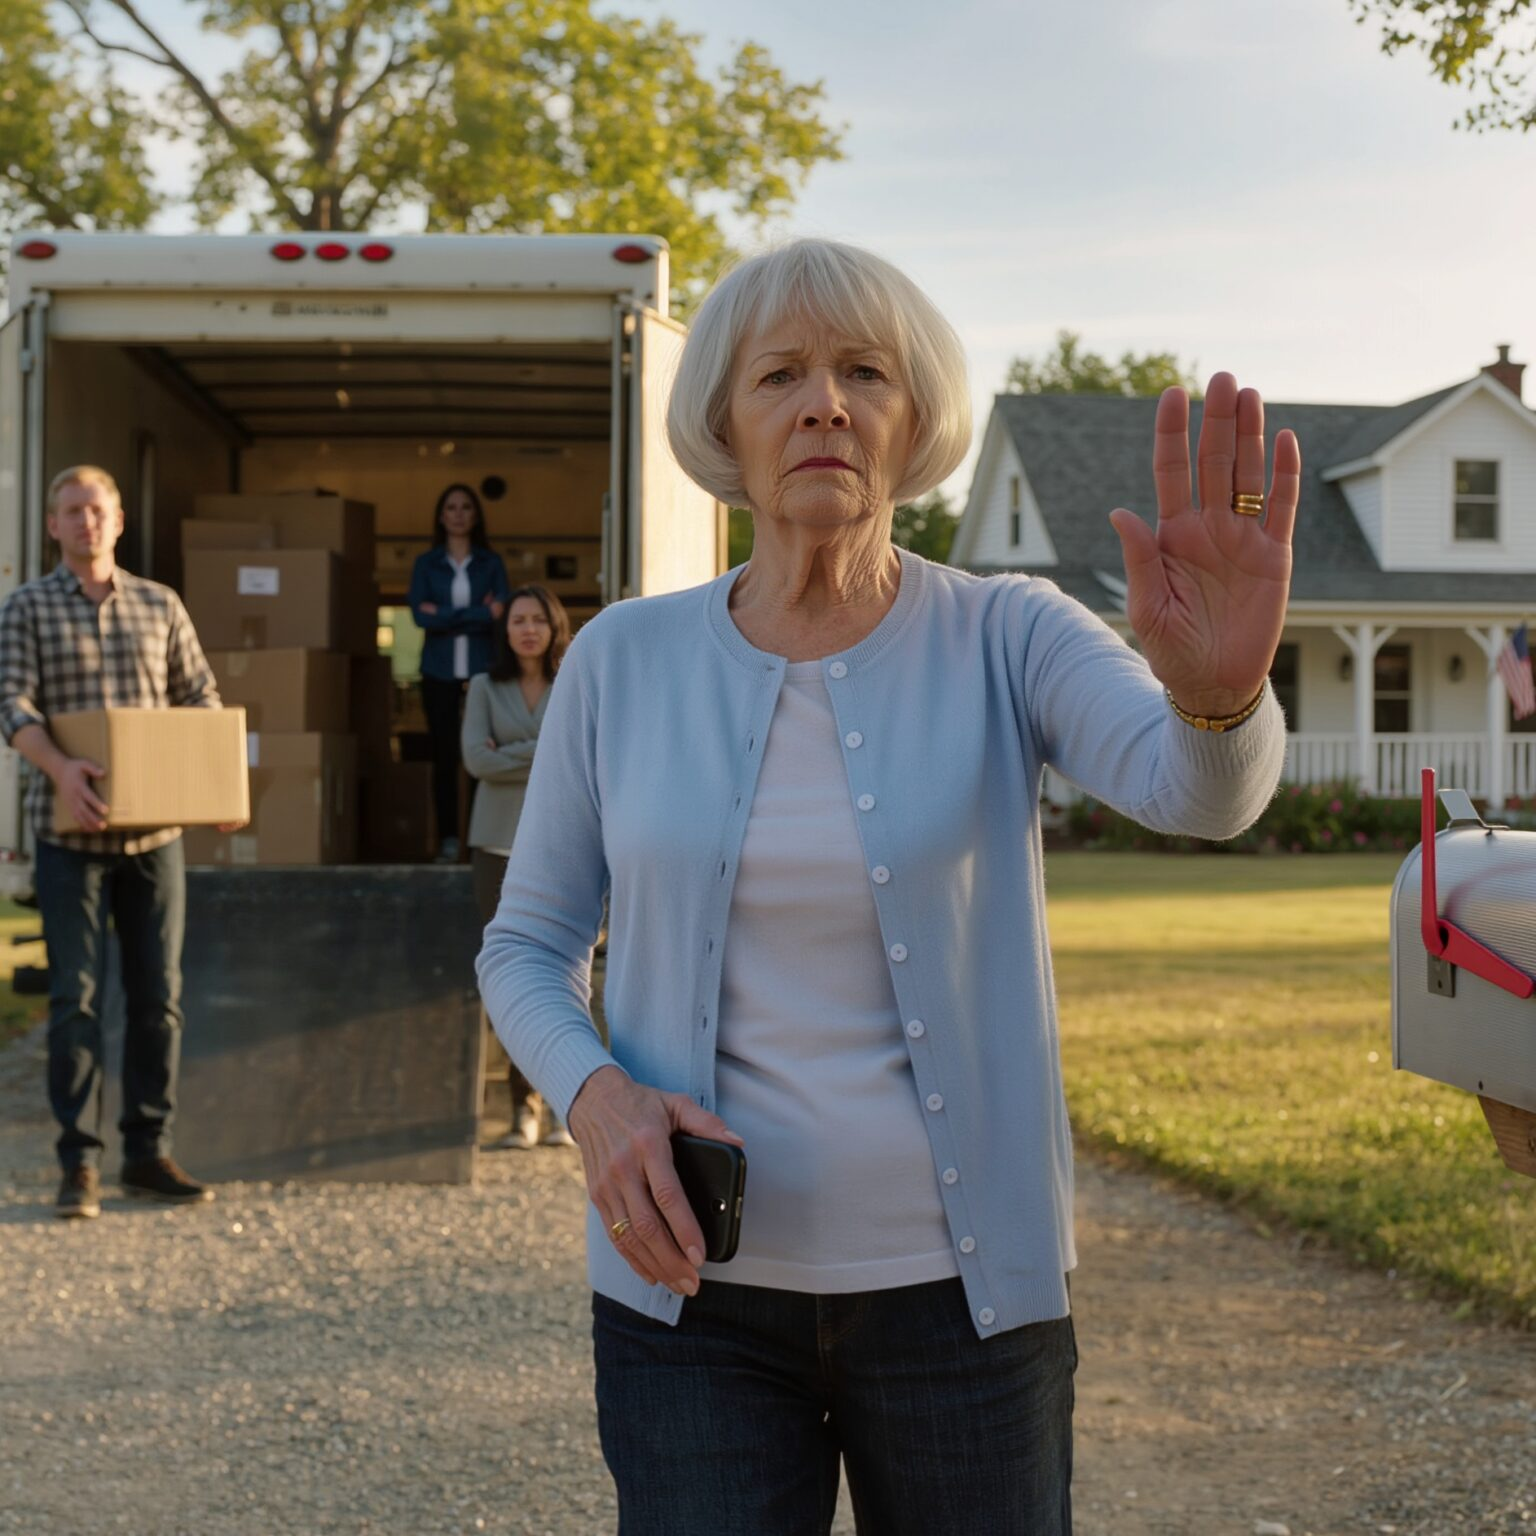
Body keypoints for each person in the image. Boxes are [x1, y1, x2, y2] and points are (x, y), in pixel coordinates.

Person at [477, 239, 1298, 1534]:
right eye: (780, 375)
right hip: (688, 1304)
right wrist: (597, 1100)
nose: (824, 402)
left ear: (913, 424)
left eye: (865, 371)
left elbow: (1200, 792)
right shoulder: (623, 662)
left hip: (963, 1316)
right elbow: (525, 945)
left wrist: (1221, 694)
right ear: (723, 423)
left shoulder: (1009, 633)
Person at [0, 466, 239, 1220]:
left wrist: (215, 783)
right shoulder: (26, 607)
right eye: (71, 511)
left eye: (96, 509)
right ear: (52, 525)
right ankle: (79, 1163)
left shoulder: (159, 605)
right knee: (74, 999)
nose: (85, 522)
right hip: (67, 836)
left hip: (155, 838)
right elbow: (10, 701)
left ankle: (148, 1150)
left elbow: (199, 697)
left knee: (158, 999)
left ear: (119, 520)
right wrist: (63, 768)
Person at [462, 584, 577, 1150]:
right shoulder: (484, 686)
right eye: (517, 621)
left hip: (565, 841)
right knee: (512, 975)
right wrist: (545, 747)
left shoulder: (574, 678)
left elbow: (586, 753)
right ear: (504, 631)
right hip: (496, 846)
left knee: (567, 973)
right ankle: (520, 1110)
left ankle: (564, 1106)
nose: (527, 629)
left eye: (537, 619)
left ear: (554, 626)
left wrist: (513, 751)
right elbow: (475, 761)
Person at [407, 483, 511, 863]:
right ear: (441, 516)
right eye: (450, 507)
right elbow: (420, 615)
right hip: (438, 673)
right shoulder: (426, 563)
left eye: (466, 507)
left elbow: (502, 614)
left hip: (483, 675)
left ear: (475, 515)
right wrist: (478, 614)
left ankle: (479, 839)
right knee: (444, 757)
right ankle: (449, 839)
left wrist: (445, 615)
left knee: (482, 757)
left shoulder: (491, 563)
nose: (458, 513)